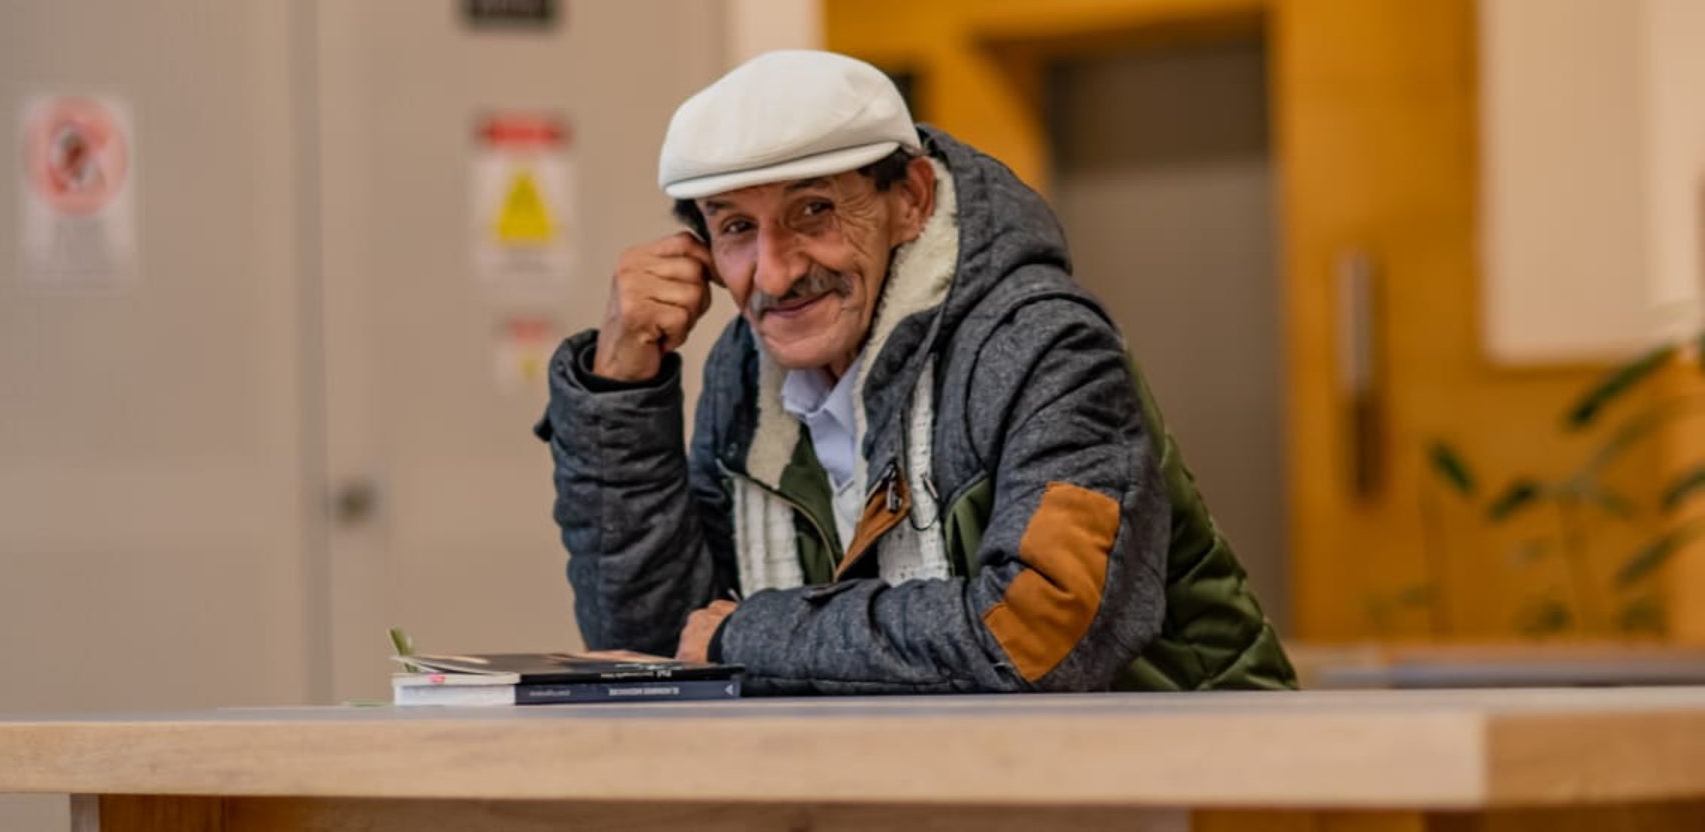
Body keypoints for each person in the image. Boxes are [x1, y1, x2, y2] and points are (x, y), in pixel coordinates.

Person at [536, 50, 1295, 694]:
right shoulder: (747, 375)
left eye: (813, 211)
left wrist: (752, 636)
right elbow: (656, 648)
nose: (775, 273)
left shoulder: (1045, 346)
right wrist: (619, 388)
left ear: (912, 199)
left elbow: (1037, 631)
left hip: (1196, 783)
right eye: (736, 227)